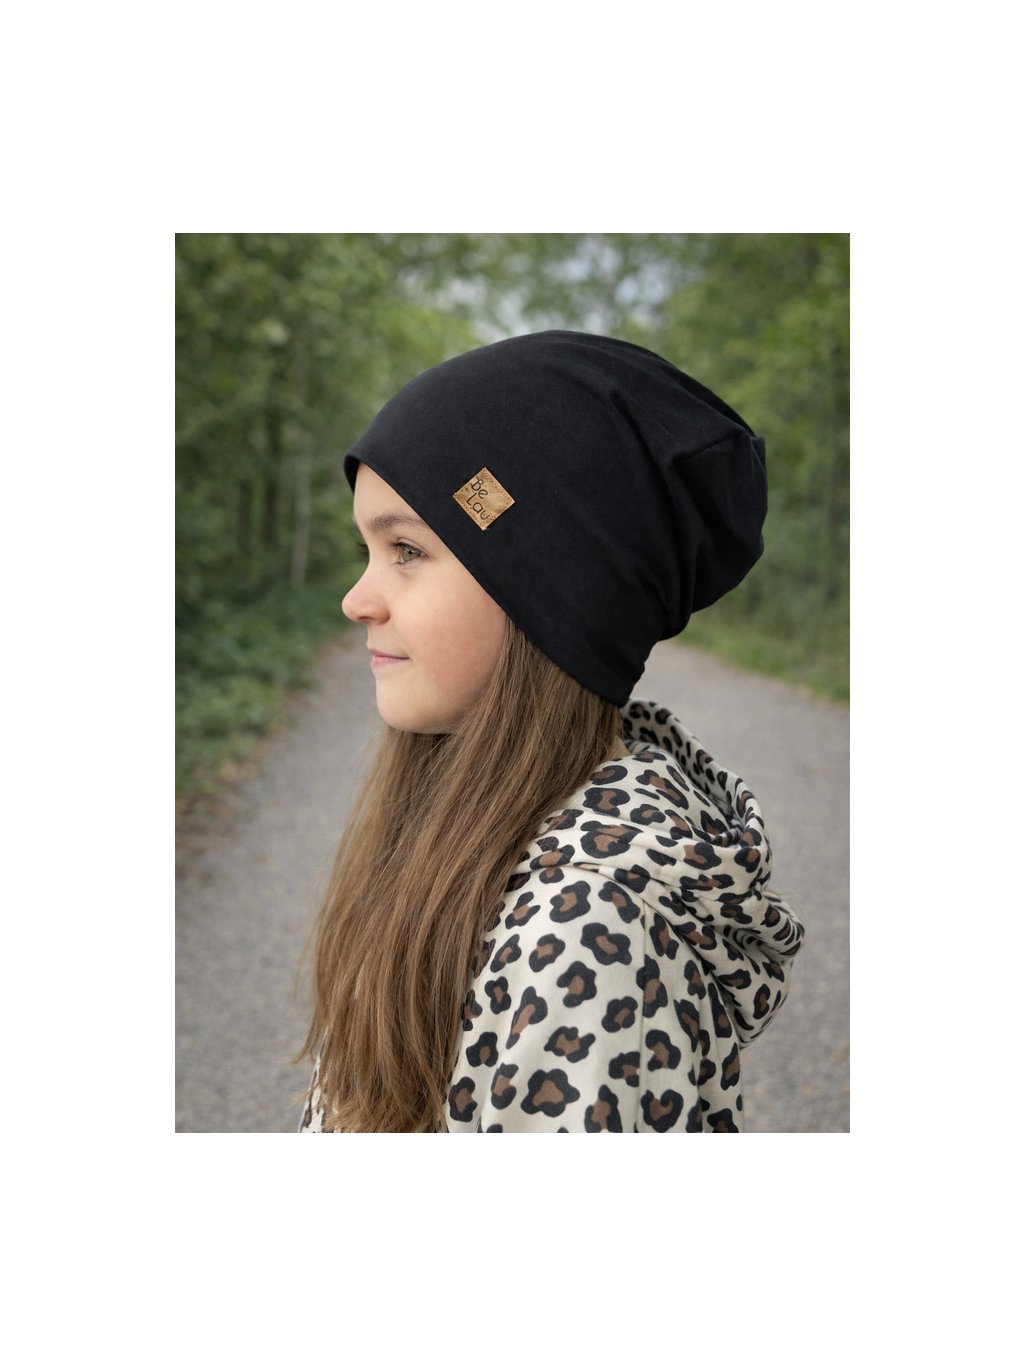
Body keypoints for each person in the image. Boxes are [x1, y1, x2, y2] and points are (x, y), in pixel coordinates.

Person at [298, 330, 804, 1133]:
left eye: (407, 550)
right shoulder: (467, 820)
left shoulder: (584, 932)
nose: (357, 600)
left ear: (551, 591)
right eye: (369, 549)